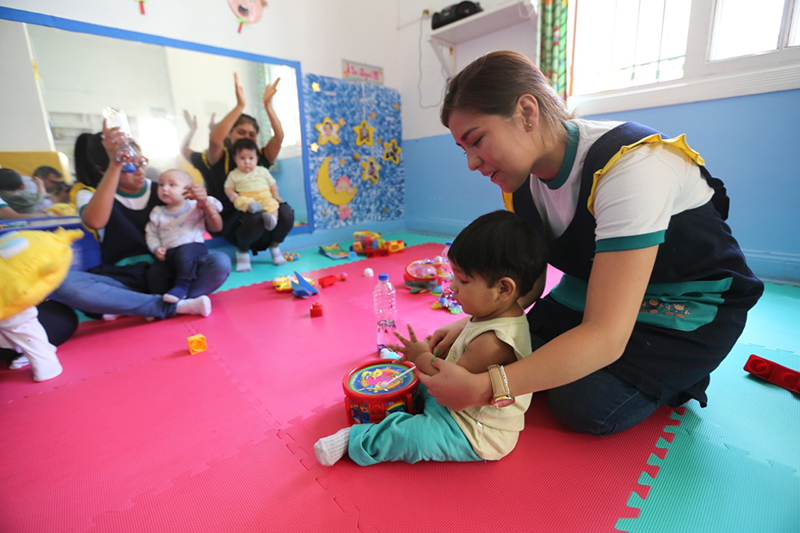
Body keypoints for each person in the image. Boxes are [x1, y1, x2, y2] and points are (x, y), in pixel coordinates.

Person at [421, 51, 764, 436]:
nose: (471, 163)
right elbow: (526, 280)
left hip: (686, 307)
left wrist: (486, 388)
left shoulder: (630, 167)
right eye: (464, 150)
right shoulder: (520, 183)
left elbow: (605, 336)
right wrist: (477, 322)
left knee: (586, 402)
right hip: (592, 294)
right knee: (494, 348)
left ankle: (679, 373)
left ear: (527, 112)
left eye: (477, 141)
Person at [314, 210, 547, 466]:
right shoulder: (495, 311)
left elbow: (450, 384)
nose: (453, 287)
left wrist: (421, 356)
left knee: (411, 436)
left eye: (463, 280)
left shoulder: (494, 342)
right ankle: (401, 385)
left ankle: (358, 440)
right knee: (409, 380)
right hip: (454, 402)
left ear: (503, 288)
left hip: (472, 430)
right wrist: (430, 353)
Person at [49, 122, 231, 321]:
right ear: (104, 170)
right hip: (125, 275)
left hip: (171, 269)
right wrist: (115, 164)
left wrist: (205, 203)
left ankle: (133, 305)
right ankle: (169, 305)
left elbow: (214, 227)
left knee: (220, 263)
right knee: (66, 284)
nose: (139, 171)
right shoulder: (91, 195)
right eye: (129, 166)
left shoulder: (164, 189)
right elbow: (95, 222)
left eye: (141, 162)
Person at [192, 72, 294, 271]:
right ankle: (242, 252)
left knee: (286, 212)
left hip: (266, 220)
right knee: (254, 217)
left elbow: (279, 137)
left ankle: (275, 246)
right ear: (230, 134)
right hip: (237, 224)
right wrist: (240, 105)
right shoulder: (222, 157)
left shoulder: (261, 156)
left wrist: (268, 106)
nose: (247, 136)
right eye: (241, 132)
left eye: (251, 134)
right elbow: (215, 140)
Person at [145, 169, 223, 304]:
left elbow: (217, 206)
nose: (165, 189)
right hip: (170, 255)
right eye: (161, 184)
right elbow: (151, 233)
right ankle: (163, 301)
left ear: (187, 189)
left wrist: (204, 201)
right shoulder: (157, 212)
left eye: (172, 185)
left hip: (193, 250)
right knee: (155, 271)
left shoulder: (194, 206)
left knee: (184, 253)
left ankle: (183, 285)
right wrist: (156, 248)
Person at [224, 138, 282, 231]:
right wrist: (231, 194)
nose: (247, 162)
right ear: (235, 159)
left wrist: (276, 195)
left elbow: (272, 183)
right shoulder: (234, 174)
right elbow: (228, 187)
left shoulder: (262, 170)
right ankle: (252, 206)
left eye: (251, 158)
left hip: (265, 195)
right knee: (238, 201)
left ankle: (272, 220)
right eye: (242, 158)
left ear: (257, 158)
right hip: (247, 197)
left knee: (272, 204)